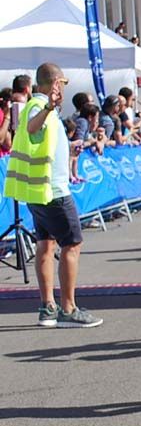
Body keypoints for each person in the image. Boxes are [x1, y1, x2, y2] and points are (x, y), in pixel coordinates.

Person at [3, 63, 103, 328]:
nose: (62, 89)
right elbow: (33, 128)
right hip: (53, 191)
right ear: (56, 82)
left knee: (46, 246)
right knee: (72, 244)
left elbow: (41, 137)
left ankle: (48, 306)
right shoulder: (38, 106)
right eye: (62, 83)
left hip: (41, 190)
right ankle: (68, 308)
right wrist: (48, 106)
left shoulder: (40, 108)